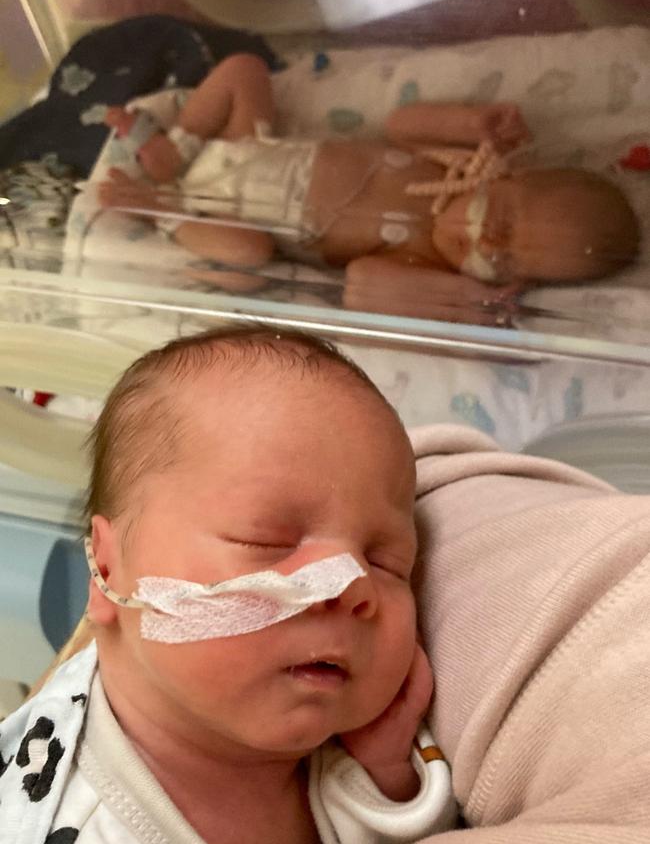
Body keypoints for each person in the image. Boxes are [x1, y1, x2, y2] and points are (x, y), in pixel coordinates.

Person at [0, 325, 456, 844]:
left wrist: (386, 776)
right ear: (105, 572)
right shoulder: (68, 822)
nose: (351, 585)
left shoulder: (337, 750)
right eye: (268, 540)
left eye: (386, 561)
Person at [98, 53, 640, 326]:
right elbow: (402, 122)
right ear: (502, 176)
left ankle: (158, 209)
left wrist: (448, 299)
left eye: (503, 262)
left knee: (248, 259)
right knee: (245, 70)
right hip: (255, 145)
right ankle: (180, 147)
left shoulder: (423, 260)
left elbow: (359, 282)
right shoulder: (441, 164)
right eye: (499, 220)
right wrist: (472, 125)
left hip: (233, 215)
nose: (485, 243)